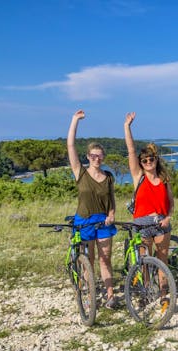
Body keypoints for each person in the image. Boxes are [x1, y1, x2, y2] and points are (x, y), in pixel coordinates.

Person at [67, 110, 118, 309]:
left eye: (100, 155)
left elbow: (112, 200)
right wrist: (75, 120)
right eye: (93, 156)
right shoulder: (80, 172)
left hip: (104, 221)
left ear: (103, 157)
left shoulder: (108, 176)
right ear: (88, 156)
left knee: (105, 259)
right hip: (85, 220)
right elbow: (70, 145)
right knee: (88, 260)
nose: (97, 158)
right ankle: (89, 295)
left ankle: (111, 295)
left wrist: (112, 214)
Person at [123, 112, 174, 303]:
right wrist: (127, 127)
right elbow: (130, 150)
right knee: (144, 260)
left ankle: (163, 293)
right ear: (141, 163)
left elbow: (171, 203)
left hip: (161, 222)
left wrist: (168, 216)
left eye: (151, 159)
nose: (148, 162)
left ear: (156, 159)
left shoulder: (164, 179)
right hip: (142, 223)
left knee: (162, 260)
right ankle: (146, 290)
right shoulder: (139, 176)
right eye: (144, 160)